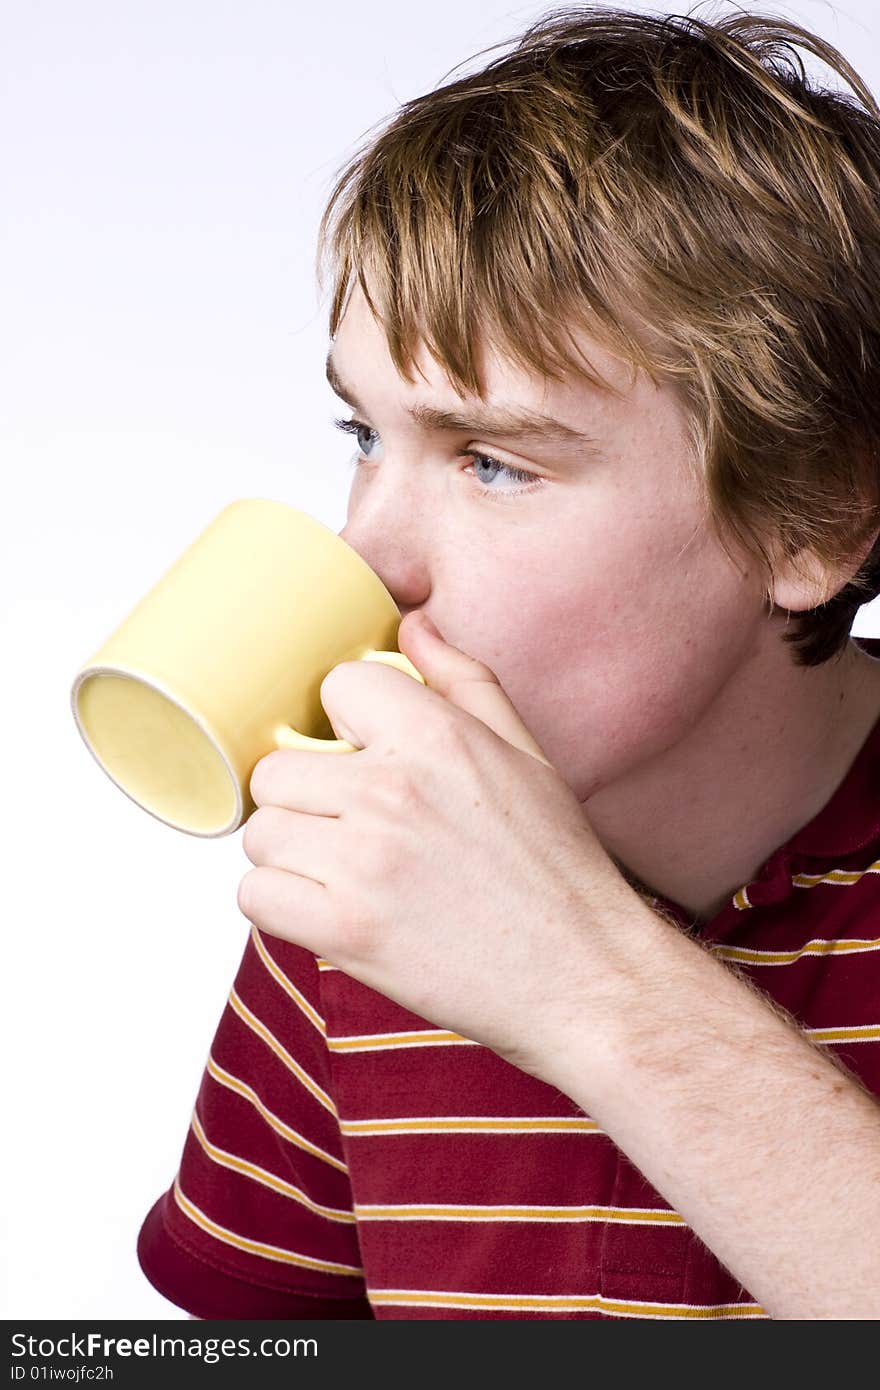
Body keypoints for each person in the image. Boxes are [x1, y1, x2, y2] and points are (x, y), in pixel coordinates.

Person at [137, 6, 880, 1319]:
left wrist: (575, 976)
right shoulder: (368, 883)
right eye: (365, 432)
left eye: (492, 461)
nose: (371, 551)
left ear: (814, 513)